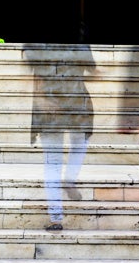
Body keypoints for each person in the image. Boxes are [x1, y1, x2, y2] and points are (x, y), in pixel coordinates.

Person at [26, 44, 97, 231]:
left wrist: (40, 99)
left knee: (53, 161)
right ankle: (70, 179)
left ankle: (56, 217)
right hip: (73, 102)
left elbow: (35, 73)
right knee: (77, 144)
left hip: (51, 104)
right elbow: (92, 68)